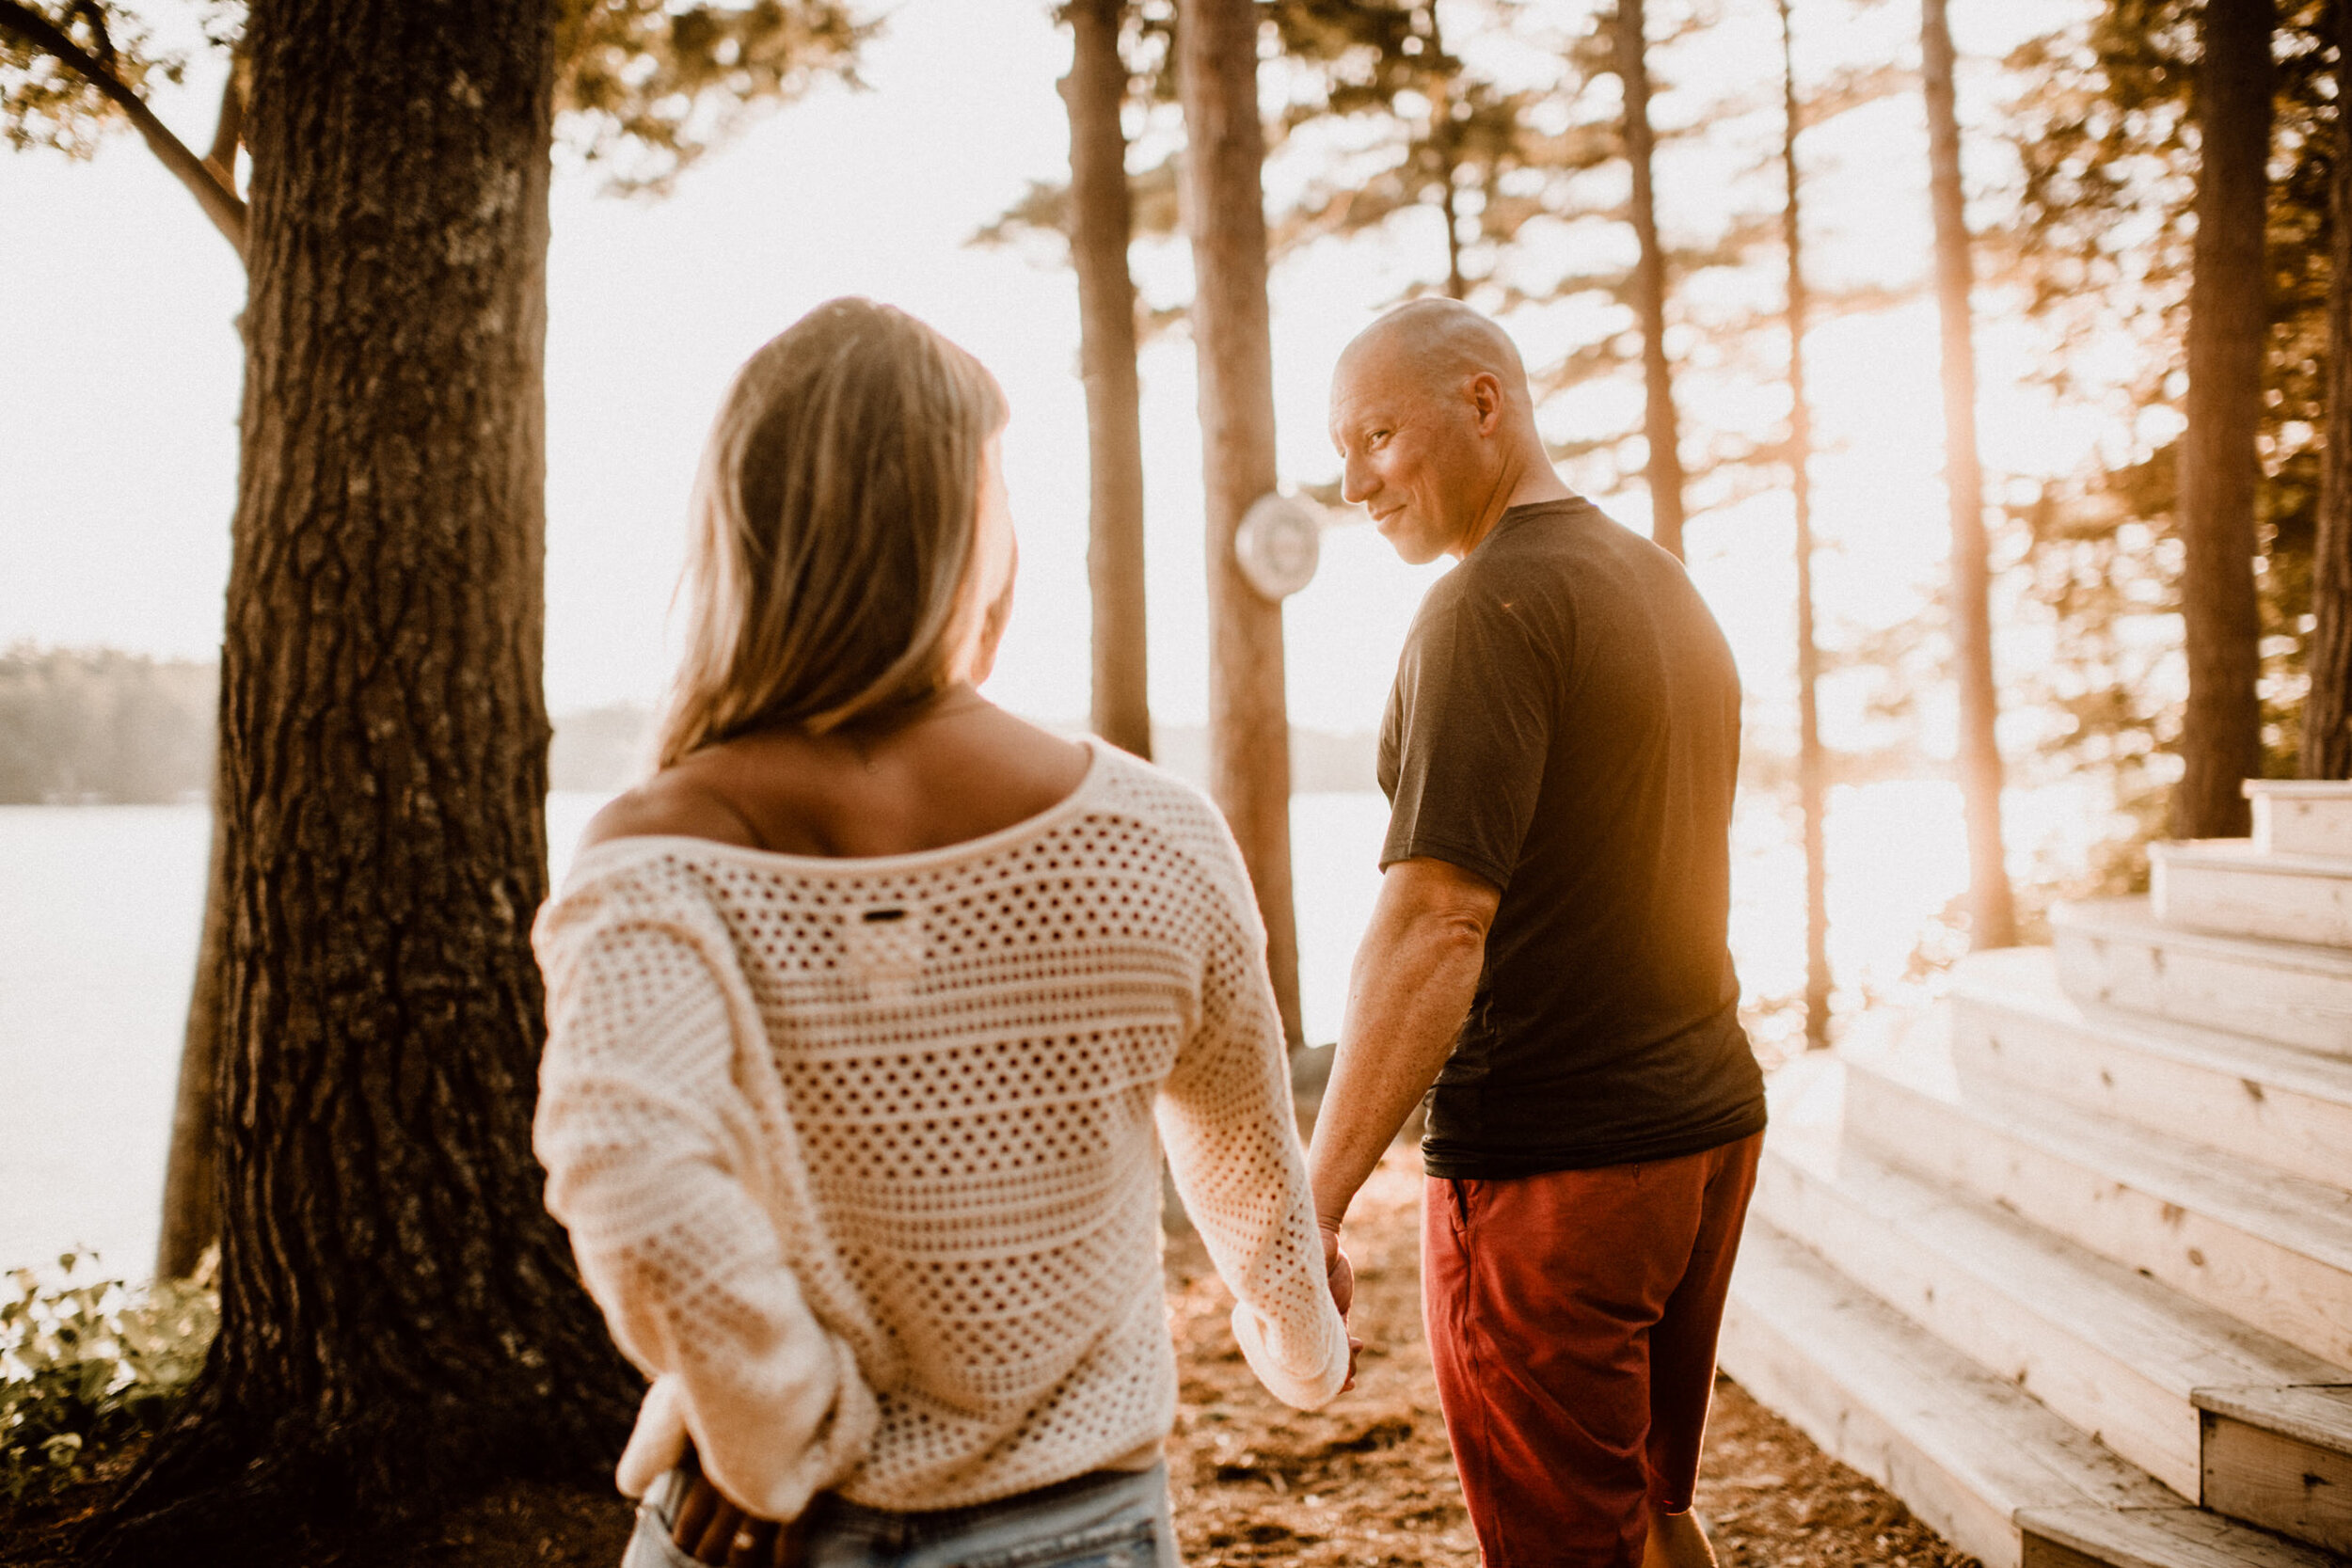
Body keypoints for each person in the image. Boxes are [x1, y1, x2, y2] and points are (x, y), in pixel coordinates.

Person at [532, 298, 1353, 1568]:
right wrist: (1303, 1348)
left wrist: (774, 1423)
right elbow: (1247, 1166)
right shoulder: (1153, 833)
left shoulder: (656, 850)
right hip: (1079, 1529)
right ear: (975, 530)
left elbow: (632, 1180)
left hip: (766, 1529)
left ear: (743, 530)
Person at [1306, 298, 1767, 1568]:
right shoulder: (1660, 585)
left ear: (1485, 404)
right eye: (1340, 451)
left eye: (1377, 436)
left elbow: (1435, 923)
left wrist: (1316, 1201)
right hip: (1706, 1130)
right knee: (1647, 1511)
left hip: (1556, 1175)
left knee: (1567, 1544)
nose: (1353, 483)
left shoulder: (1483, 611)